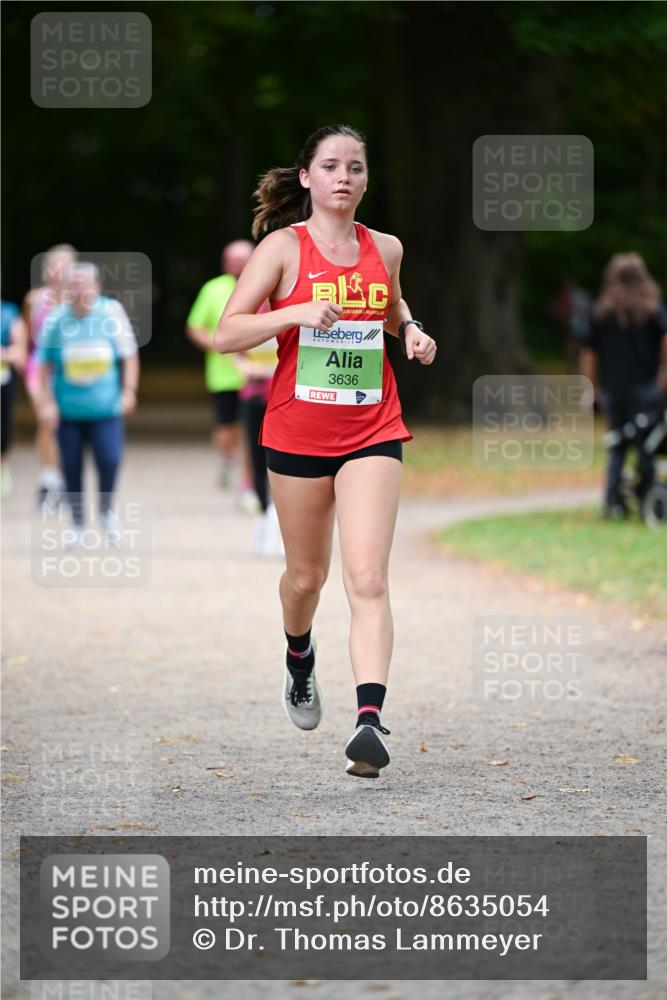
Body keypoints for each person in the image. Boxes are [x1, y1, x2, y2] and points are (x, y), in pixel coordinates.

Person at [215, 124, 436, 778]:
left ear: (366, 180)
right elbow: (229, 332)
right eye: (331, 166)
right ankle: (297, 654)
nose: (344, 177)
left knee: (367, 577)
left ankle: (368, 721)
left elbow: (392, 306)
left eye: (356, 167)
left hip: (372, 428)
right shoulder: (283, 250)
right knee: (305, 578)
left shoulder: (385, 247)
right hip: (297, 433)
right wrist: (292, 314)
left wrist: (413, 332)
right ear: (306, 177)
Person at [35, 263, 140, 545]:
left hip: (105, 408)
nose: (79, 289)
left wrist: (128, 391)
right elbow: (43, 366)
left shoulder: (110, 313)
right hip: (68, 410)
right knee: (70, 466)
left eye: (84, 284)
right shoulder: (57, 319)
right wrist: (47, 403)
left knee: (109, 460)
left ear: (96, 287)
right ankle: (78, 522)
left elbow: (129, 355)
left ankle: (106, 513)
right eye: (73, 284)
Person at [580, 252, 667, 518]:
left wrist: (590, 389)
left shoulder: (602, 312)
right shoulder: (652, 310)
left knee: (617, 445)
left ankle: (612, 501)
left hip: (614, 391)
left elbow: (589, 353)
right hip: (646, 391)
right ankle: (645, 497)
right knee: (646, 445)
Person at [186, 241, 259, 511]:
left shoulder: (264, 284)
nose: (235, 264)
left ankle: (247, 482)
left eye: (240, 259)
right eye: (230, 259)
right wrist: (219, 346)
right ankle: (227, 460)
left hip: (258, 374)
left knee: (248, 429)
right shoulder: (213, 289)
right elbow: (195, 327)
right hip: (223, 374)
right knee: (227, 428)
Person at [23, 244, 77, 509]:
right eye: (56, 265)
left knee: (64, 426)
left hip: (67, 371)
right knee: (46, 422)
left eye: (66, 265)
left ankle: (60, 480)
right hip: (39, 370)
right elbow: (27, 336)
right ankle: (50, 479)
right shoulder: (34, 299)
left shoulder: (78, 301)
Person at [234, 333, 282, 556]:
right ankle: (264, 516)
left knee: (284, 461)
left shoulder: (294, 307)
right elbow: (234, 345)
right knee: (256, 458)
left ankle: (284, 526)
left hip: (285, 396)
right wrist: (245, 366)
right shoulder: (251, 311)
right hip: (255, 395)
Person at [1, 300, 28, 496]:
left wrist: (4, 354)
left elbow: (20, 353)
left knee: (3, 430)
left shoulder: (9, 312)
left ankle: (2, 468)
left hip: (3, 381)